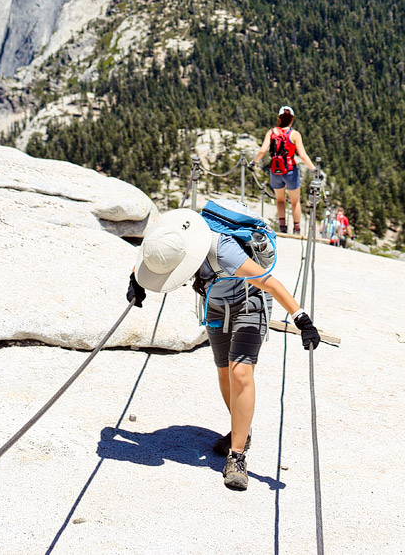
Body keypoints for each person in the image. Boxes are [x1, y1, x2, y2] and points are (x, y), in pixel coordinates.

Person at [126, 208, 320, 492]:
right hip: (216, 305)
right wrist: (136, 279)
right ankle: (243, 429)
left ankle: (237, 455)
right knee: (224, 373)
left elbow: (269, 282)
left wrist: (302, 319)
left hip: (249, 305)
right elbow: (148, 255)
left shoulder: (224, 252)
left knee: (240, 373)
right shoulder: (172, 238)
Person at [251, 105, 316, 235]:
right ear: (292, 119)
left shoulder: (271, 132)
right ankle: (296, 229)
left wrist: (253, 162)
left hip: (276, 170)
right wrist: (314, 169)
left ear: (279, 118)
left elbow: (263, 150)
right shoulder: (294, 134)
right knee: (295, 201)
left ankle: (282, 227)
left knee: (280, 200)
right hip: (291, 170)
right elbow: (302, 155)